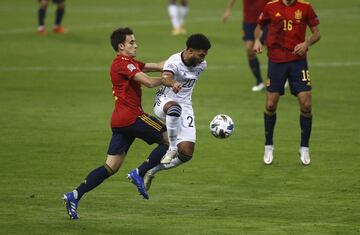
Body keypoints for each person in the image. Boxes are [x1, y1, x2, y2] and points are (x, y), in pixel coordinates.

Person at [63, 27, 182, 219]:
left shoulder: (130, 63)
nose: (136, 45)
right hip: (132, 117)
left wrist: (179, 59)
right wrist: (168, 81)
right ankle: (139, 172)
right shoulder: (122, 64)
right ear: (121, 46)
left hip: (120, 121)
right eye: (131, 42)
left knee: (110, 166)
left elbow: (159, 65)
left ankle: (74, 195)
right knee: (169, 139)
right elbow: (149, 82)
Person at [253, 0, 320, 165]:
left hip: (298, 62)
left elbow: (316, 33)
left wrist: (306, 43)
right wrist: (256, 40)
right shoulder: (270, 6)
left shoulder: (305, 7)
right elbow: (259, 26)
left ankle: (304, 147)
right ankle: (269, 145)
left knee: (306, 105)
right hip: (276, 61)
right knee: (270, 105)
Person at [142, 33, 211, 190]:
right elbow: (166, 76)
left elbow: (151, 66)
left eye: (205, 55)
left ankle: (152, 171)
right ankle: (172, 147)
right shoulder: (174, 62)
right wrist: (172, 83)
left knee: (187, 153)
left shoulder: (202, 65)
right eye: (200, 55)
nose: (203, 59)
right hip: (164, 101)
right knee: (174, 108)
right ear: (189, 50)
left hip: (185, 105)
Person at [222, 0, 270, 92]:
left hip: (267, 19)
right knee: (249, 50)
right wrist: (228, 10)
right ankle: (259, 82)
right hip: (249, 20)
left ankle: (278, 78)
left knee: (271, 49)